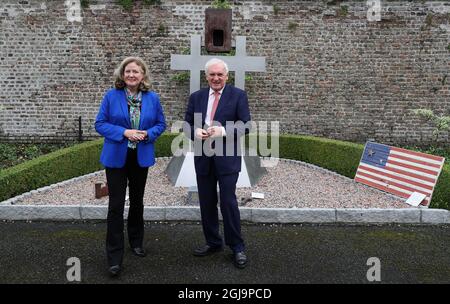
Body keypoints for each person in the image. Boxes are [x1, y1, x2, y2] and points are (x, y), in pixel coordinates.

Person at [95, 56, 166, 277]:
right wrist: (124, 132)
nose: (131, 75)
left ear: (143, 75)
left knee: (137, 201)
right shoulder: (111, 96)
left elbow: (160, 124)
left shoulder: (152, 98)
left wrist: (148, 134)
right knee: (116, 206)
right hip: (116, 158)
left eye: (136, 71)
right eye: (128, 72)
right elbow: (100, 124)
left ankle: (136, 242)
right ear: (122, 75)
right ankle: (114, 257)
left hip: (140, 157)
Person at [184, 58, 251, 269]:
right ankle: (213, 242)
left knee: (229, 203)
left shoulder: (238, 95)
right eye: (212, 74)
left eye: (219, 74)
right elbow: (186, 123)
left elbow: (245, 125)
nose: (216, 78)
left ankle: (237, 246)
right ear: (206, 77)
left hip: (227, 158)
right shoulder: (197, 97)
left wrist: (223, 131)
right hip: (203, 157)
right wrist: (194, 132)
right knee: (206, 202)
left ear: (227, 76)